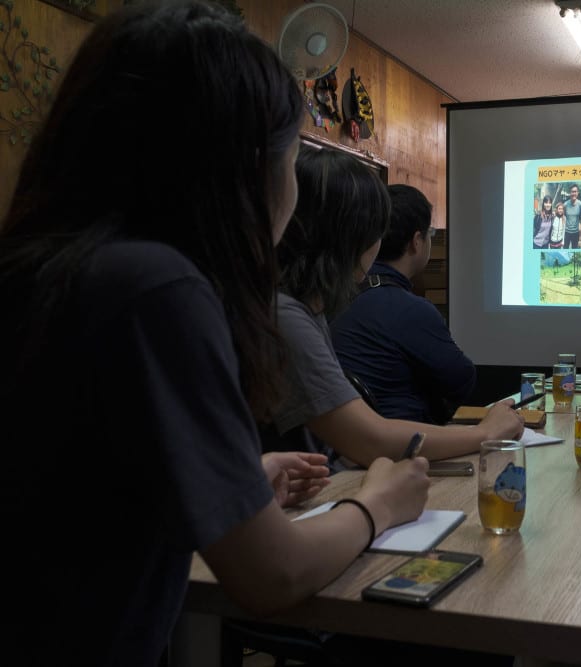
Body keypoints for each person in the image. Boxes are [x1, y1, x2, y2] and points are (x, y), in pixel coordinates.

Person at [0, 3, 430, 665]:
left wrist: (239, 480)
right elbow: (273, 575)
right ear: (247, 169)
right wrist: (379, 505)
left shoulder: (46, 268)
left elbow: (72, 492)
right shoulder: (157, 290)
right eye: (293, 156)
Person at [264, 145, 524, 468]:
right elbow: (369, 439)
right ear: (354, 237)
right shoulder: (286, 316)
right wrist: (486, 433)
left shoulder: (305, 307)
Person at [333, 184, 476, 425]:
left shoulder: (334, 297)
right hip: (408, 439)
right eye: (430, 233)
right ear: (416, 241)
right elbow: (462, 381)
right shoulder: (411, 310)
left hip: (346, 440)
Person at [562, 183, 581, 248]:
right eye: (572, 192)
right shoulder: (565, 204)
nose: (574, 193)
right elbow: (563, 216)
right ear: (570, 193)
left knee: (575, 249)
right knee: (565, 249)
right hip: (566, 232)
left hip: (576, 233)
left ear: (577, 193)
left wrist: (580, 238)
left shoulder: (580, 204)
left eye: (575, 192)